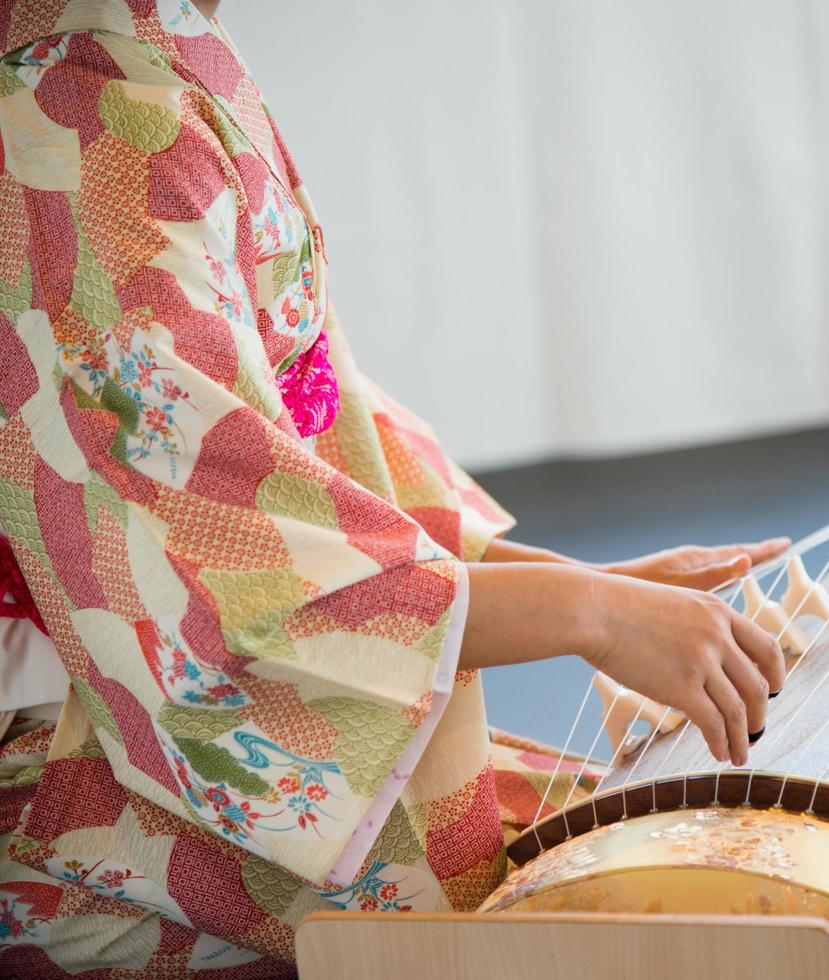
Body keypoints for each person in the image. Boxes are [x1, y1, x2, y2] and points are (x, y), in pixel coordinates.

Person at [0, 0, 786, 974]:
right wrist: (584, 610)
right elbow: (212, 575)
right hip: (57, 765)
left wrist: (577, 583)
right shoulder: (70, 102)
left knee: (665, 843)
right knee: (652, 921)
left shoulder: (138, 45)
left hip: (114, 700)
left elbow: (305, 409)